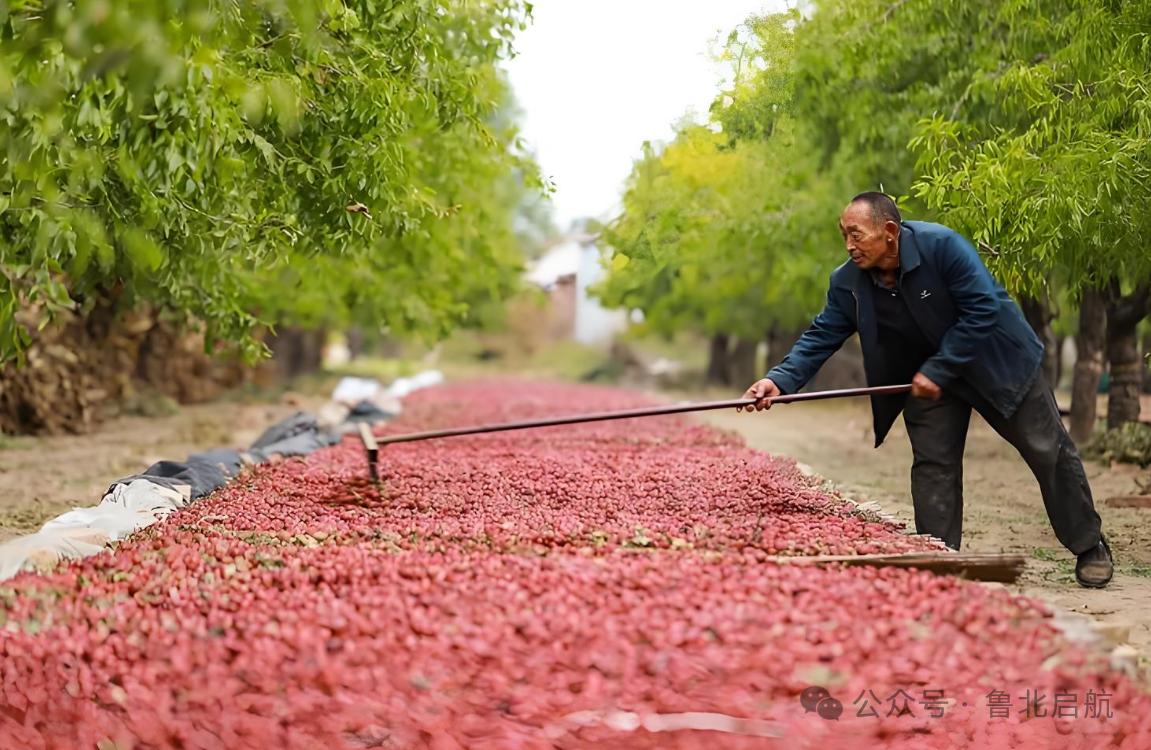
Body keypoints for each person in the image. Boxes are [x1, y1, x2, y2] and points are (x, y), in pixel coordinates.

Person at [742, 192, 1112, 588]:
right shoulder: (847, 282)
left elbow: (983, 308)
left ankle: (1089, 545)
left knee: (1047, 451)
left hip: (997, 363)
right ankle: (940, 559)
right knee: (933, 467)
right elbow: (821, 335)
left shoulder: (942, 246)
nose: (848, 245)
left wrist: (940, 366)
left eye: (856, 234)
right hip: (929, 383)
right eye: (843, 235)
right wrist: (779, 379)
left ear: (889, 231)